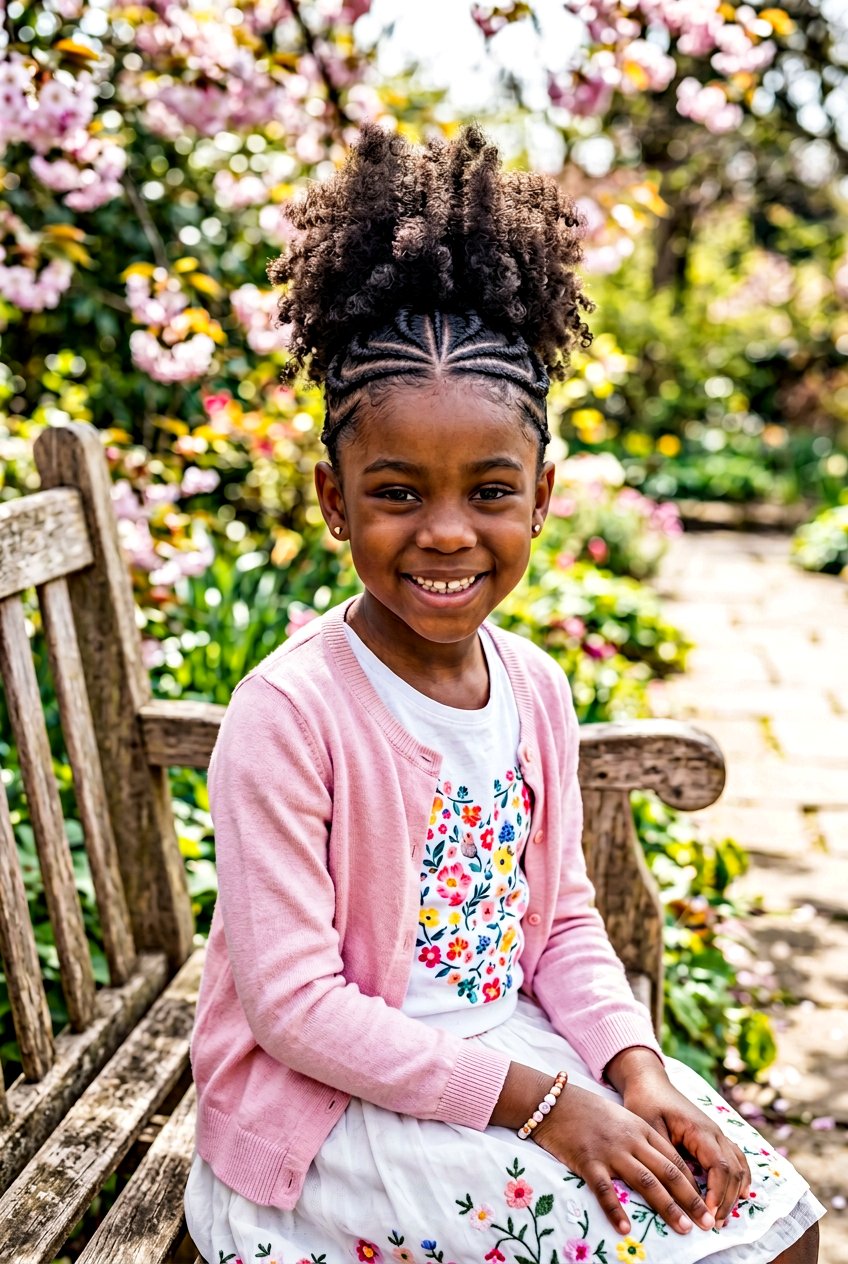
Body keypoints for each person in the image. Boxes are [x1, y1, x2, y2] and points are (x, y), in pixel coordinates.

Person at [184, 124, 823, 1264]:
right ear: (332, 502)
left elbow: (563, 923)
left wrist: (634, 1070)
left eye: (487, 490)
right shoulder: (290, 713)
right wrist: (544, 1103)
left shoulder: (529, 687)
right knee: (633, 1234)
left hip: (513, 1054)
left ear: (540, 495)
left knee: (765, 1218)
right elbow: (294, 1010)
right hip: (334, 1109)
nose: (444, 532)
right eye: (394, 492)